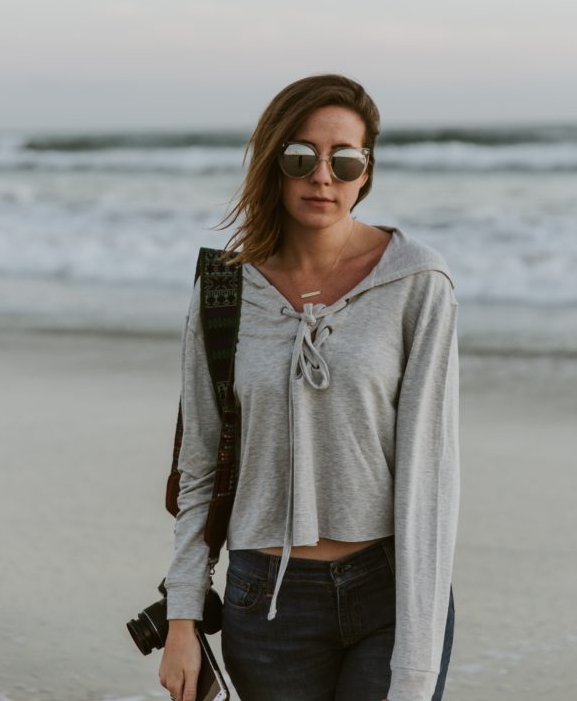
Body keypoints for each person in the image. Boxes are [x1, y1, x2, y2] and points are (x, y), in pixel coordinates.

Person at [159, 73, 460, 701]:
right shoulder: (223, 290)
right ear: (274, 164)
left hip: (390, 592)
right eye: (301, 157)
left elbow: (431, 477)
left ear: (366, 172)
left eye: (344, 159)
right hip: (265, 606)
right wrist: (183, 617)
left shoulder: (419, 282)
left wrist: (416, 661)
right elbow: (198, 468)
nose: (323, 176)